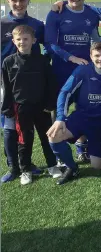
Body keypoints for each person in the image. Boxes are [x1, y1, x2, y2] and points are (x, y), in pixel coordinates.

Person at [46, 42, 101, 185]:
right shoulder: (82, 71)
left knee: (98, 165)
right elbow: (65, 92)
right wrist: (60, 118)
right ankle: (72, 167)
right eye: (97, 56)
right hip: (82, 117)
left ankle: (94, 143)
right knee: (54, 136)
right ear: (90, 56)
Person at [1, 25, 61, 185]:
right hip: (21, 108)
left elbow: (51, 84)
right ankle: (25, 170)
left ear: (34, 41)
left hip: (41, 107)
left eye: (26, 39)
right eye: (19, 39)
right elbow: (6, 87)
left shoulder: (42, 61)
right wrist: (6, 108)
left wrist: (50, 103)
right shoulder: (8, 62)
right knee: (24, 140)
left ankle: (52, 165)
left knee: (47, 137)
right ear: (13, 41)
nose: (22, 42)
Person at [1, 0, 47, 181]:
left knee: (29, 127)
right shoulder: (2, 24)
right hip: (7, 84)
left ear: (28, 0)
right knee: (10, 126)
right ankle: (13, 167)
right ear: (7, 1)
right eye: (14, 0)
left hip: (31, 87)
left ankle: (27, 163)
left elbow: (50, 48)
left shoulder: (37, 25)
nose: (18, 3)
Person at [45, 0, 101, 90]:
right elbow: (50, 43)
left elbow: (96, 39)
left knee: (84, 104)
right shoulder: (56, 13)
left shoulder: (93, 14)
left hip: (85, 66)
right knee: (61, 103)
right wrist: (71, 58)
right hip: (61, 67)